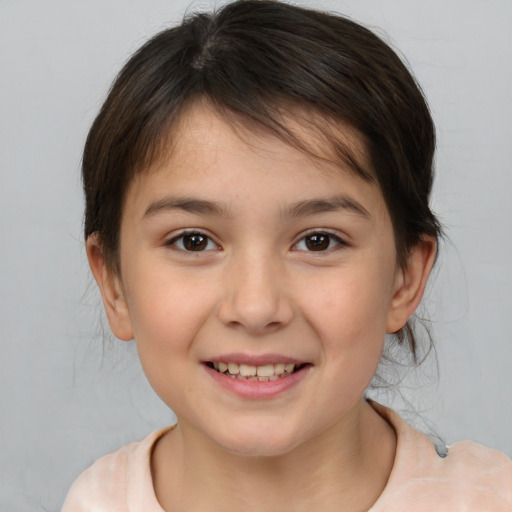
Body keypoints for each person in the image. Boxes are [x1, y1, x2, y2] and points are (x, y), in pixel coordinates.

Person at [61, 1, 512, 510]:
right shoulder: (94, 501)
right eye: (193, 241)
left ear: (405, 277)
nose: (255, 308)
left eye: (318, 241)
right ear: (114, 283)